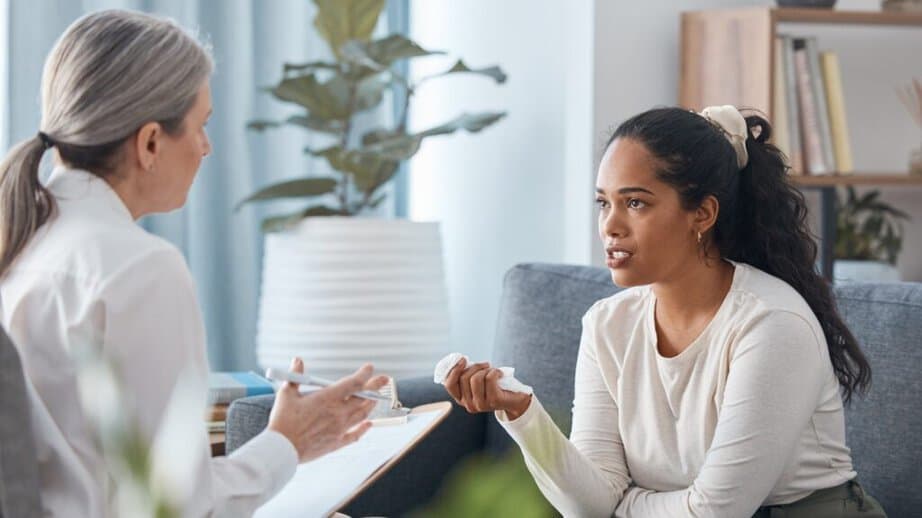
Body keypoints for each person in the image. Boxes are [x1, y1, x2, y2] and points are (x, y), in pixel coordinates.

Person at [0, 10, 386, 517]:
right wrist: (287, 442)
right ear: (151, 142)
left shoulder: (22, 242)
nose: (206, 147)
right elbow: (178, 509)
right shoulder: (138, 269)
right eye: (201, 126)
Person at [443, 106, 887, 517]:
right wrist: (522, 414)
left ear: (703, 213)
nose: (610, 226)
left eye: (635, 203)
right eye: (604, 202)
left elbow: (714, 512)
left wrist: (624, 507)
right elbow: (590, 504)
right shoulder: (607, 323)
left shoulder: (771, 323)